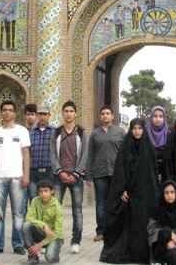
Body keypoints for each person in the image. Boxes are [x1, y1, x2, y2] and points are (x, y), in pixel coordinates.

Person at [100, 118, 159, 264]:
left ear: (144, 130)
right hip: (129, 194)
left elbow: (152, 173)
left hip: (144, 194)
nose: (137, 131)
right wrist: (121, 189)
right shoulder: (125, 147)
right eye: (134, 128)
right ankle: (130, 253)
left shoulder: (148, 148)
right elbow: (119, 170)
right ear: (131, 130)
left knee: (143, 224)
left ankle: (142, 254)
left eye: (140, 128)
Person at [0, 99, 30, 255]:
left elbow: (26, 154)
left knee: (18, 213)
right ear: (1, 113)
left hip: (17, 177)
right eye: (4, 110)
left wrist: (26, 175)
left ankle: (17, 243)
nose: (7, 113)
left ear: (15, 113)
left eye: (10, 110)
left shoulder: (22, 131)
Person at [50, 101, 88, 254]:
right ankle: (54, 240)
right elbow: (52, 154)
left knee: (77, 210)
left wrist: (76, 174)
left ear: (76, 113)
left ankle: (75, 241)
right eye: (66, 111)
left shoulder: (82, 133)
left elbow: (84, 155)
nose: (68, 114)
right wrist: (60, 172)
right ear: (62, 113)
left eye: (71, 111)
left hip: (76, 178)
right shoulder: (56, 132)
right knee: (55, 210)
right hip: (59, 177)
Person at [86, 105, 125, 242]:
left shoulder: (120, 132)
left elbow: (125, 153)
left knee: (116, 202)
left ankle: (116, 229)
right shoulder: (95, 134)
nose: (105, 116)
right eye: (103, 113)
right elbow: (90, 154)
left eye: (108, 113)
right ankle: (101, 231)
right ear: (100, 116)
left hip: (116, 173)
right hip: (100, 173)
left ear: (112, 116)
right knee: (101, 203)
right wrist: (88, 174)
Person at [147, 181, 176, 265]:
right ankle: (157, 262)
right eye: (166, 193)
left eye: (172, 192)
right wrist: (169, 234)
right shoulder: (157, 207)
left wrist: (172, 241)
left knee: (173, 256)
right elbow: (151, 228)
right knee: (165, 230)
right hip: (158, 240)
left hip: (174, 241)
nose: (169, 195)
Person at [23, 178, 63, 265]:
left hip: (54, 236)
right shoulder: (35, 201)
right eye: (40, 191)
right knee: (26, 225)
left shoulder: (57, 207)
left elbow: (58, 232)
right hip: (41, 233)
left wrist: (40, 244)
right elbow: (28, 218)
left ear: (52, 191)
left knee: (50, 258)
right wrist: (44, 225)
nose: (43, 194)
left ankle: (54, 250)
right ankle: (33, 257)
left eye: (46, 191)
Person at [28, 104, 55, 203]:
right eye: (40, 114)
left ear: (49, 115)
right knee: (33, 200)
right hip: (33, 172)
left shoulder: (54, 132)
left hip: (48, 171)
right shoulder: (31, 133)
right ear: (37, 115)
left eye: (44, 114)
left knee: (48, 201)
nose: (42, 117)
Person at [147, 106, 168, 179]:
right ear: (151, 117)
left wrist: (163, 173)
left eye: (161, 116)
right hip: (147, 174)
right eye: (155, 116)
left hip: (164, 175)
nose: (158, 119)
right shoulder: (145, 135)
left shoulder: (169, 136)